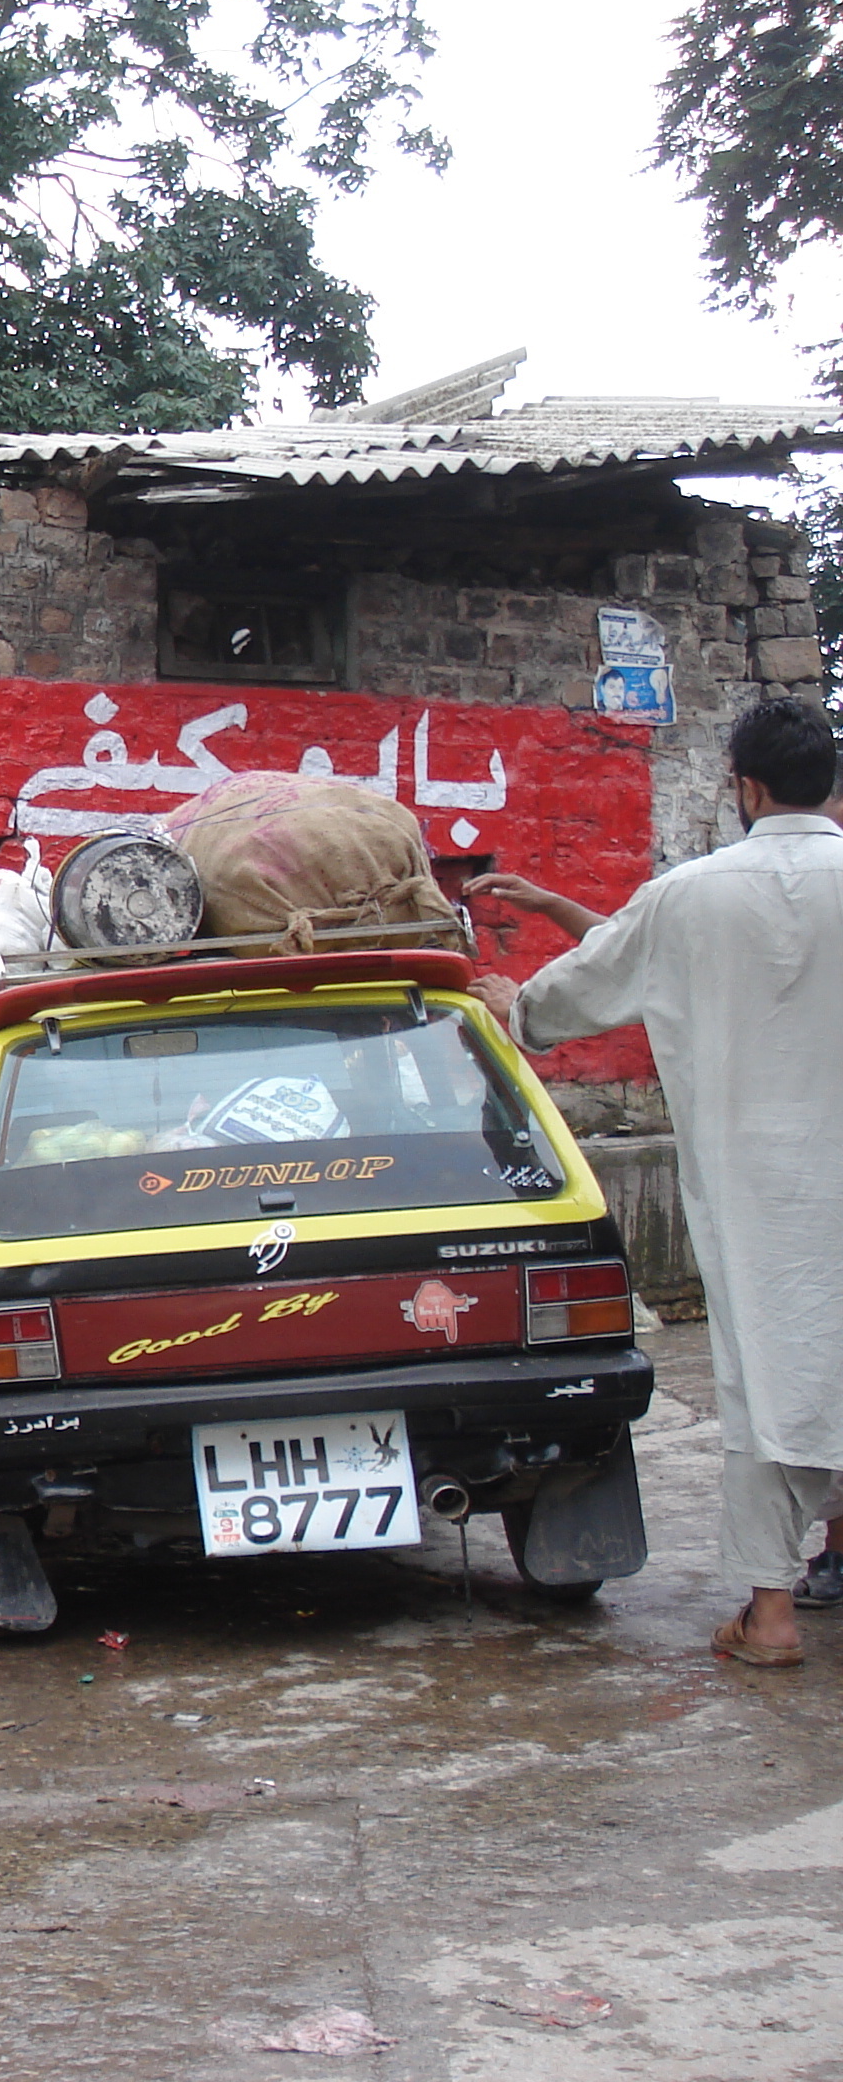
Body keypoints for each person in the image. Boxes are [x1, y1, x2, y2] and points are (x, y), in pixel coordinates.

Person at [468, 694, 843, 1667]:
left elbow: (575, 994)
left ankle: (768, 1611)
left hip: (760, 1199)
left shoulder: (690, 895)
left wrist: (512, 1000)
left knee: (770, 1371)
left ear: (743, 786)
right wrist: (565, 914)